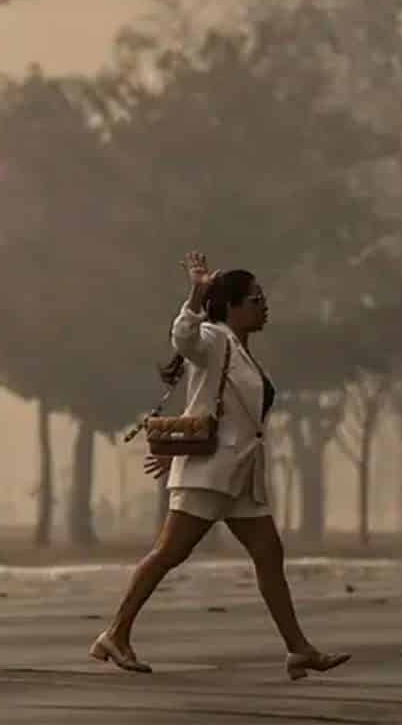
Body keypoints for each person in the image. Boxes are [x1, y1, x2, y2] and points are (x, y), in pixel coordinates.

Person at [91, 250, 350, 680]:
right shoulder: (213, 339)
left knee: (269, 554)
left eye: (263, 298)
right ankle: (115, 634)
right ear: (231, 306)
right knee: (169, 553)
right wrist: (196, 292)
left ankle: (298, 649)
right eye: (255, 299)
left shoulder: (241, 351)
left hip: (241, 476)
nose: (264, 305)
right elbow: (183, 338)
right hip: (210, 472)